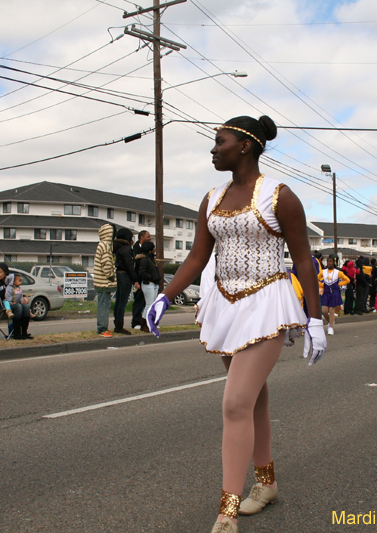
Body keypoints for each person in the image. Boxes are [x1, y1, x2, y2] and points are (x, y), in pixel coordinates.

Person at [144, 115, 326, 533]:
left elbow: (302, 259)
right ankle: (266, 485)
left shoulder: (280, 196)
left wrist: (314, 319)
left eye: (219, 141)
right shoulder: (212, 197)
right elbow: (196, 258)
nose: (213, 149)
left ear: (245, 145)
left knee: (234, 403)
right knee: (253, 399)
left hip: (267, 302)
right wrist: (165, 296)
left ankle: (227, 511)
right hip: (225, 303)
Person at [113, 227, 140, 335]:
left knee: (118, 301)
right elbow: (130, 266)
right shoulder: (126, 248)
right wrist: (135, 280)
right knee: (123, 302)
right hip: (125, 276)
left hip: (119, 274)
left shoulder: (117, 246)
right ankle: (119, 326)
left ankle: (117, 324)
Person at [93, 223, 117, 337]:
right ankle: (102, 329)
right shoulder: (105, 246)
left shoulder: (101, 245)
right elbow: (106, 264)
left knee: (103, 305)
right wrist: (111, 276)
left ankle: (103, 327)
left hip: (100, 281)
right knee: (104, 306)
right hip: (104, 283)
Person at [319, 254, 350, 335]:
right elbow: (317, 278)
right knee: (324, 311)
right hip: (326, 293)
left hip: (334, 293)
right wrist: (321, 285)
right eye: (328, 261)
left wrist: (339, 284)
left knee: (331, 311)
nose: (329, 263)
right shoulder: (323, 271)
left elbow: (347, 280)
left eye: (330, 261)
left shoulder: (338, 272)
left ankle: (331, 327)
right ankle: (330, 321)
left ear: (334, 263)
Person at [135, 240, 161, 333]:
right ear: (149, 249)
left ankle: (150, 323)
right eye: (153, 248)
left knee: (153, 304)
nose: (154, 249)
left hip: (154, 284)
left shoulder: (151, 259)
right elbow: (142, 273)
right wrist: (151, 277)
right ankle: (144, 324)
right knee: (149, 304)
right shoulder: (144, 259)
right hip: (148, 284)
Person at [131, 230, 151, 330]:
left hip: (147, 281)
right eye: (148, 236)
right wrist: (135, 281)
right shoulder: (135, 250)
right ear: (141, 237)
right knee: (138, 301)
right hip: (139, 279)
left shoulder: (149, 250)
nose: (150, 238)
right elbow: (133, 267)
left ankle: (147, 322)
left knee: (147, 302)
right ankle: (136, 322)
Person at [5, 273, 32, 339]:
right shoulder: (9, 288)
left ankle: (24, 332)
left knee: (26, 307)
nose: (20, 282)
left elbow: (20, 296)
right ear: (13, 281)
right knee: (19, 307)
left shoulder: (19, 288)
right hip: (11, 304)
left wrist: (22, 300)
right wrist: (10, 301)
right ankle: (17, 333)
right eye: (19, 281)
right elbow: (7, 296)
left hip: (18, 303)